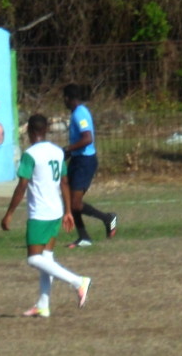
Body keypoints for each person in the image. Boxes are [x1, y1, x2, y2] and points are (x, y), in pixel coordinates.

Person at [1, 114, 91, 317]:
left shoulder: (30, 154)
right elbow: (65, 182)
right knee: (46, 258)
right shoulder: (57, 151)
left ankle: (78, 281)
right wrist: (68, 210)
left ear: (31, 131)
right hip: (56, 210)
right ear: (46, 129)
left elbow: (22, 185)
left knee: (34, 259)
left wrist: (9, 214)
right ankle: (43, 304)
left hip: (40, 213)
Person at [62, 83, 117, 248]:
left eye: (64, 98)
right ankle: (84, 237)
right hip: (77, 160)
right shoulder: (76, 113)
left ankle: (107, 218)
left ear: (68, 98)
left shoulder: (80, 114)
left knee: (75, 204)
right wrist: (69, 153)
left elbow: (87, 139)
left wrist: (68, 149)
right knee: (70, 201)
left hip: (85, 162)